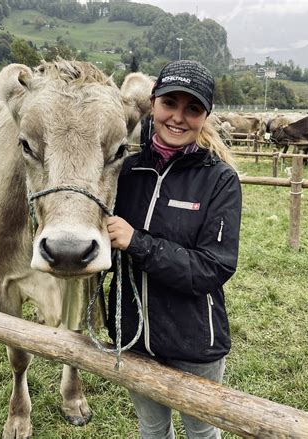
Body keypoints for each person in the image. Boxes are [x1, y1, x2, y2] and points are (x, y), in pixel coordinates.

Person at [107, 60, 242, 438]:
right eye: (170, 103)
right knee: (152, 428)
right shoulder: (126, 171)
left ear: (205, 116)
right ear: (153, 104)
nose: (178, 118)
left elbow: (212, 268)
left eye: (192, 109)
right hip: (134, 334)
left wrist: (137, 242)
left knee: (201, 432)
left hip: (195, 342)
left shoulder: (220, 179)